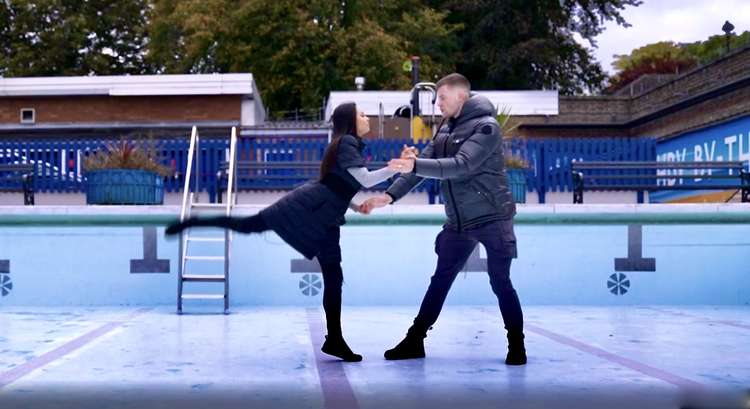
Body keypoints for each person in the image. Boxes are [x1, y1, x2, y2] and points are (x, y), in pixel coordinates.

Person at [166, 102, 410, 362]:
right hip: (311, 208)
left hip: (324, 214)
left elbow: (338, 183)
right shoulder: (347, 142)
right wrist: (395, 168)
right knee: (250, 226)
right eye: (361, 114)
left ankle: (335, 339)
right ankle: (192, 222)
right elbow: (364, 179)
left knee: (333, 275)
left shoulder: (346, 144)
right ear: (351, 120)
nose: (366, 117)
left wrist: (354, 205)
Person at [361, 73, 527, 365]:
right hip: (459, 222)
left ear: (461, 96)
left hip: (492, 218)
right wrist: (389, 196)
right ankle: (415, 340)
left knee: (500, 281)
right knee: (440, 281)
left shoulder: (487, 128)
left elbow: (462, 166)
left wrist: (417, 164)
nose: (437, 104)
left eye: (442, 98)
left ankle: (516, 344)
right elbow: (421, 165)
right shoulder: (445, 128)